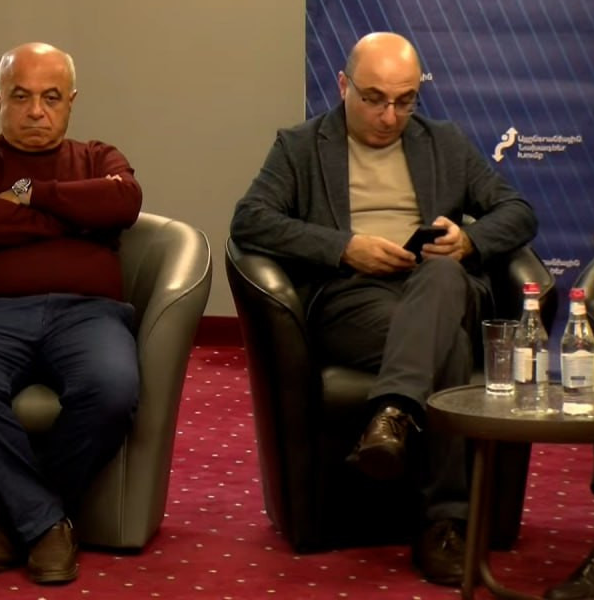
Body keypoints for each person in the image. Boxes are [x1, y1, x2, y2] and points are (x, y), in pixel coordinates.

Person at [230, 32, 537, 586]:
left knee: (442, 275)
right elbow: (250, 220)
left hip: (440, 287)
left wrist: (468, 242)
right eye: (373, 99)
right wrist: (344, 247)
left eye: (404, 101)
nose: (389, 116)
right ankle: (443, 523)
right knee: (448, 344)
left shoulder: (443, 142)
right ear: (343, 86)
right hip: (354, 298)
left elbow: (517, 211)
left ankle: (391, 413)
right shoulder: (301, 147)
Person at [0, 42, 143, 585]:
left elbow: (123, 202)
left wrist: (30, 193)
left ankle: (18, 522)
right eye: (21, 96)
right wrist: (75, 214)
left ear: (71, 101)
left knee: (112, 387)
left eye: (51, 98)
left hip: (87, 314)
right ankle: (46, 523)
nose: (35, 112)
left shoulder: (98, 157)